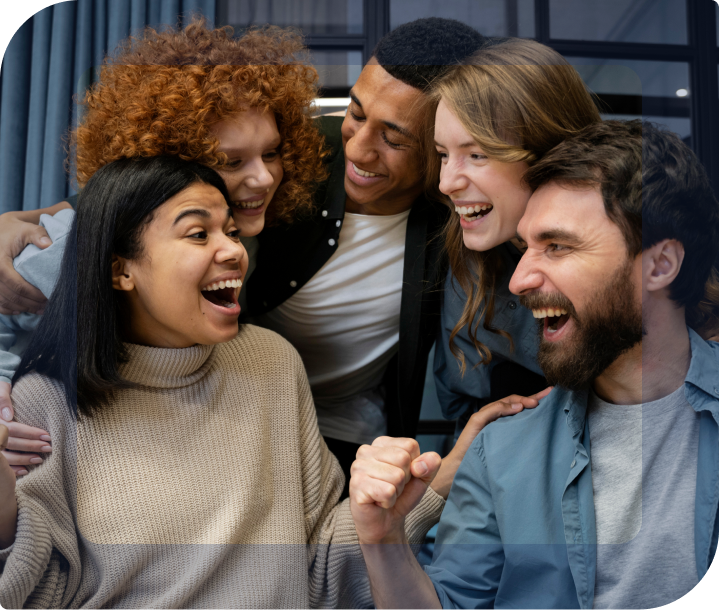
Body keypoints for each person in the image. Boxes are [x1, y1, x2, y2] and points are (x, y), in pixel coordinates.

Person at [1, 18, 491, 488]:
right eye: (356, 114)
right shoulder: (265, 166)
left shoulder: (460, 210)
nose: (358, 150)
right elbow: (114, 210)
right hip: (179, 422)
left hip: (322, 428)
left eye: (394, 138)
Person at [0, 155, 446, 610]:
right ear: (121, 270)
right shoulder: (43, 400)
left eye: (231, 232)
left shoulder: (271, 362)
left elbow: (319, 571)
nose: (234, 250)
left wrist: (432, 484)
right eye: (198, 234)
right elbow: (34, 593)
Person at [349, 120, 719, 609]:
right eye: (526, 248)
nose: (520, 280)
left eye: (558, 246)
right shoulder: (499, 451)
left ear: (660, 265)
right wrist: (383, 541)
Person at [0, 18, 328, 474]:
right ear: (169, 159)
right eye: (231, 161)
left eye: (271, 153)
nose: (264, 177)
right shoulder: (75, 243)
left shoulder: (243, 231)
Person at [426, 37, 601, 434]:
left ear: (550, 154)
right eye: (443, 155)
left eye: (477, 155)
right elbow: (463, 403)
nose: (446, 183)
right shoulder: (470, 257)